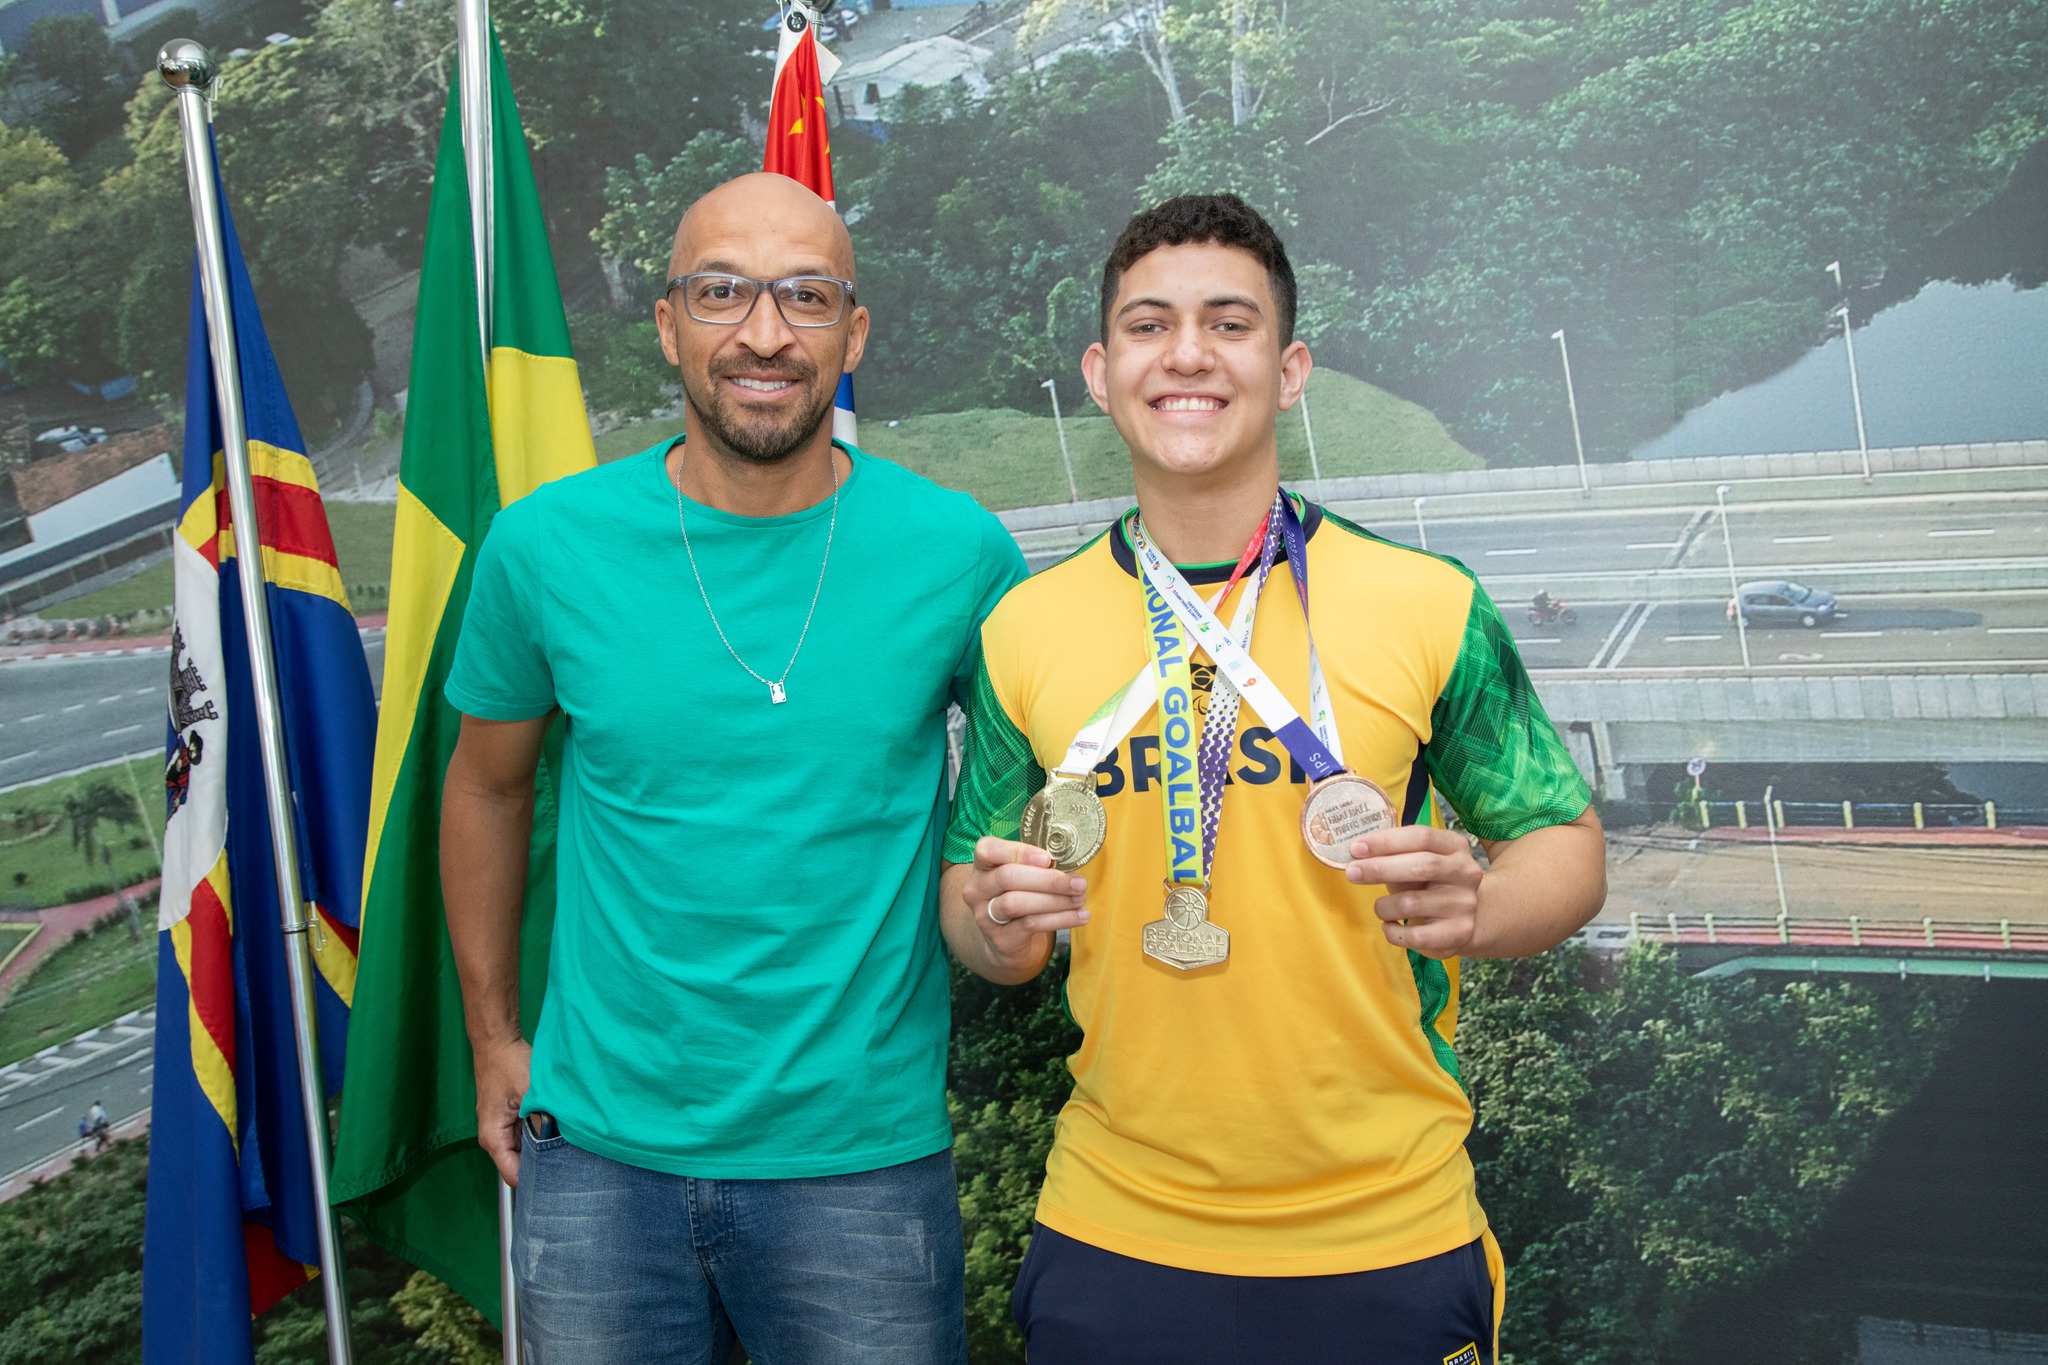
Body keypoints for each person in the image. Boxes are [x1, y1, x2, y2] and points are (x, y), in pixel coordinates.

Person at [940, 194, 1608, 1365]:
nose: (1186, 353)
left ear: (1288, 368)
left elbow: (1565, 843)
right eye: (1147, 326)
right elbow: (970, 894)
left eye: (1228, 323)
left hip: (1385, 1228)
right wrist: (996, 924)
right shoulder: (1020, 630)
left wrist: (1484, 906)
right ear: (1100, 372)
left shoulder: (1425, 601)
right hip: (1114, 1229)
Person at [441, 171, 1025, 1365]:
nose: (764, 334)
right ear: (666, 324)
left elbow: (1016, 818)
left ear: (852, 334)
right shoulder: (545, 546)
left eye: (805, 297)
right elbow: (488, 787)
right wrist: (494, 1036)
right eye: (722, 292)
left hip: (859, 1162)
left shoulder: (961, 553)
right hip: (596, 1157)